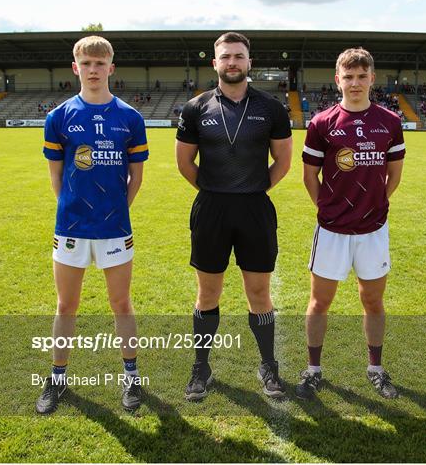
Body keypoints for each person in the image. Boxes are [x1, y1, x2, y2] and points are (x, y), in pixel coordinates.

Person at [176, 32, 292, 401]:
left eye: (239, 56)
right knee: (207, 292)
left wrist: (252, 189)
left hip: (254, 208)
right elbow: (184, 162)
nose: (232, 62)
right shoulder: (196, 108)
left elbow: (284, 161)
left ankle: (268, 365)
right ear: (215, 63)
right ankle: (201, 367)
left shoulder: (271, 108)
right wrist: (215, 192)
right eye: (225, 56)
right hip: (211, 208)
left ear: (249, 62)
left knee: (259, 292)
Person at [38, 36, 149, 414]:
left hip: (115, 229)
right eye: (86, 63)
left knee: (121, 303)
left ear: (111, 68)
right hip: (70, 227)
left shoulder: (130, 118)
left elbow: (136, 178)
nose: (93, 70)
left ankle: (131, 378)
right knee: (66, 305)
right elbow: (56, 178)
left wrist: (115, 211)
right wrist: (73, 211)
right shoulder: (59, 118)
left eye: (100, 64)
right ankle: (57, 379)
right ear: (75, 68)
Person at [298, 47, 405, 400]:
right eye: (348, 77)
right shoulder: (321, 123)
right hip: (331, 231)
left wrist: (374, 207)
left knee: (373, 302)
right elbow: (310, 177)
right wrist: (330, 209)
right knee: (319, 302)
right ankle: (313, 370)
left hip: (373, 231)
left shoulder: (390, 122)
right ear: (337, 80)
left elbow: (394, 176)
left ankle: (375, 367)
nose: (355, 83)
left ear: (372, 79)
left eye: (362, 77)